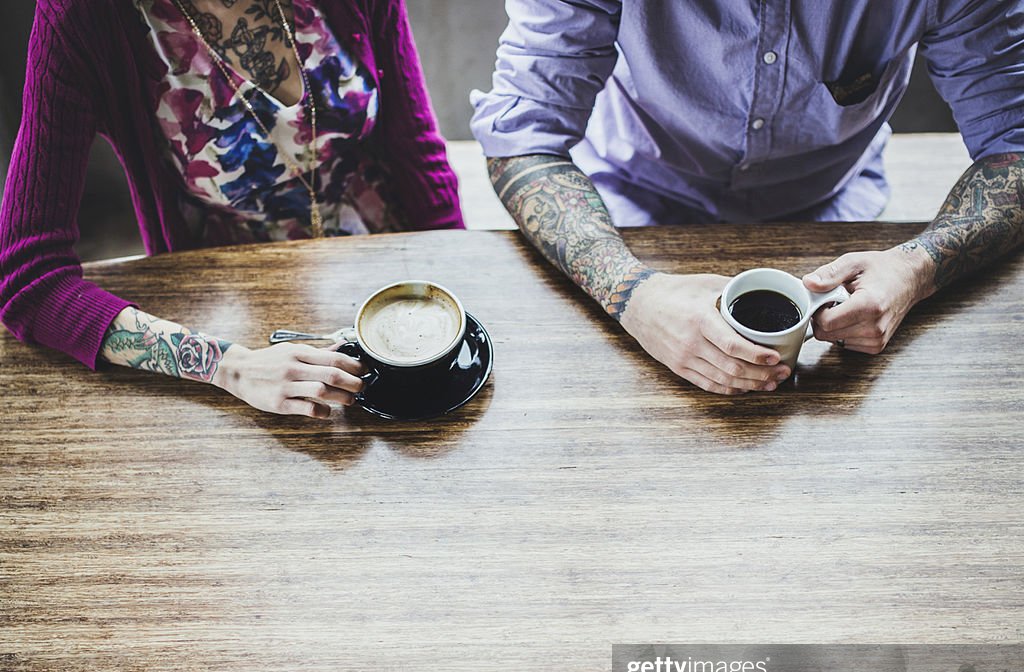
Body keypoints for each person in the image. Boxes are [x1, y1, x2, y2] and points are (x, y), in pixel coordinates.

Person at [471, 0, 1024, 395]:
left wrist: (918, 266)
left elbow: (1015, 143)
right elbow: (522, 140)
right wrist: (631, 296)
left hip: (837, 217)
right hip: (627, 210)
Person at [0, 0, 463, 419]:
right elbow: (27, 277)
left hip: (395, 271)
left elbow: (419, 153)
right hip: (235, 318)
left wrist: (459, 288)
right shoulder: (82, 17)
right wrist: (231, 367)